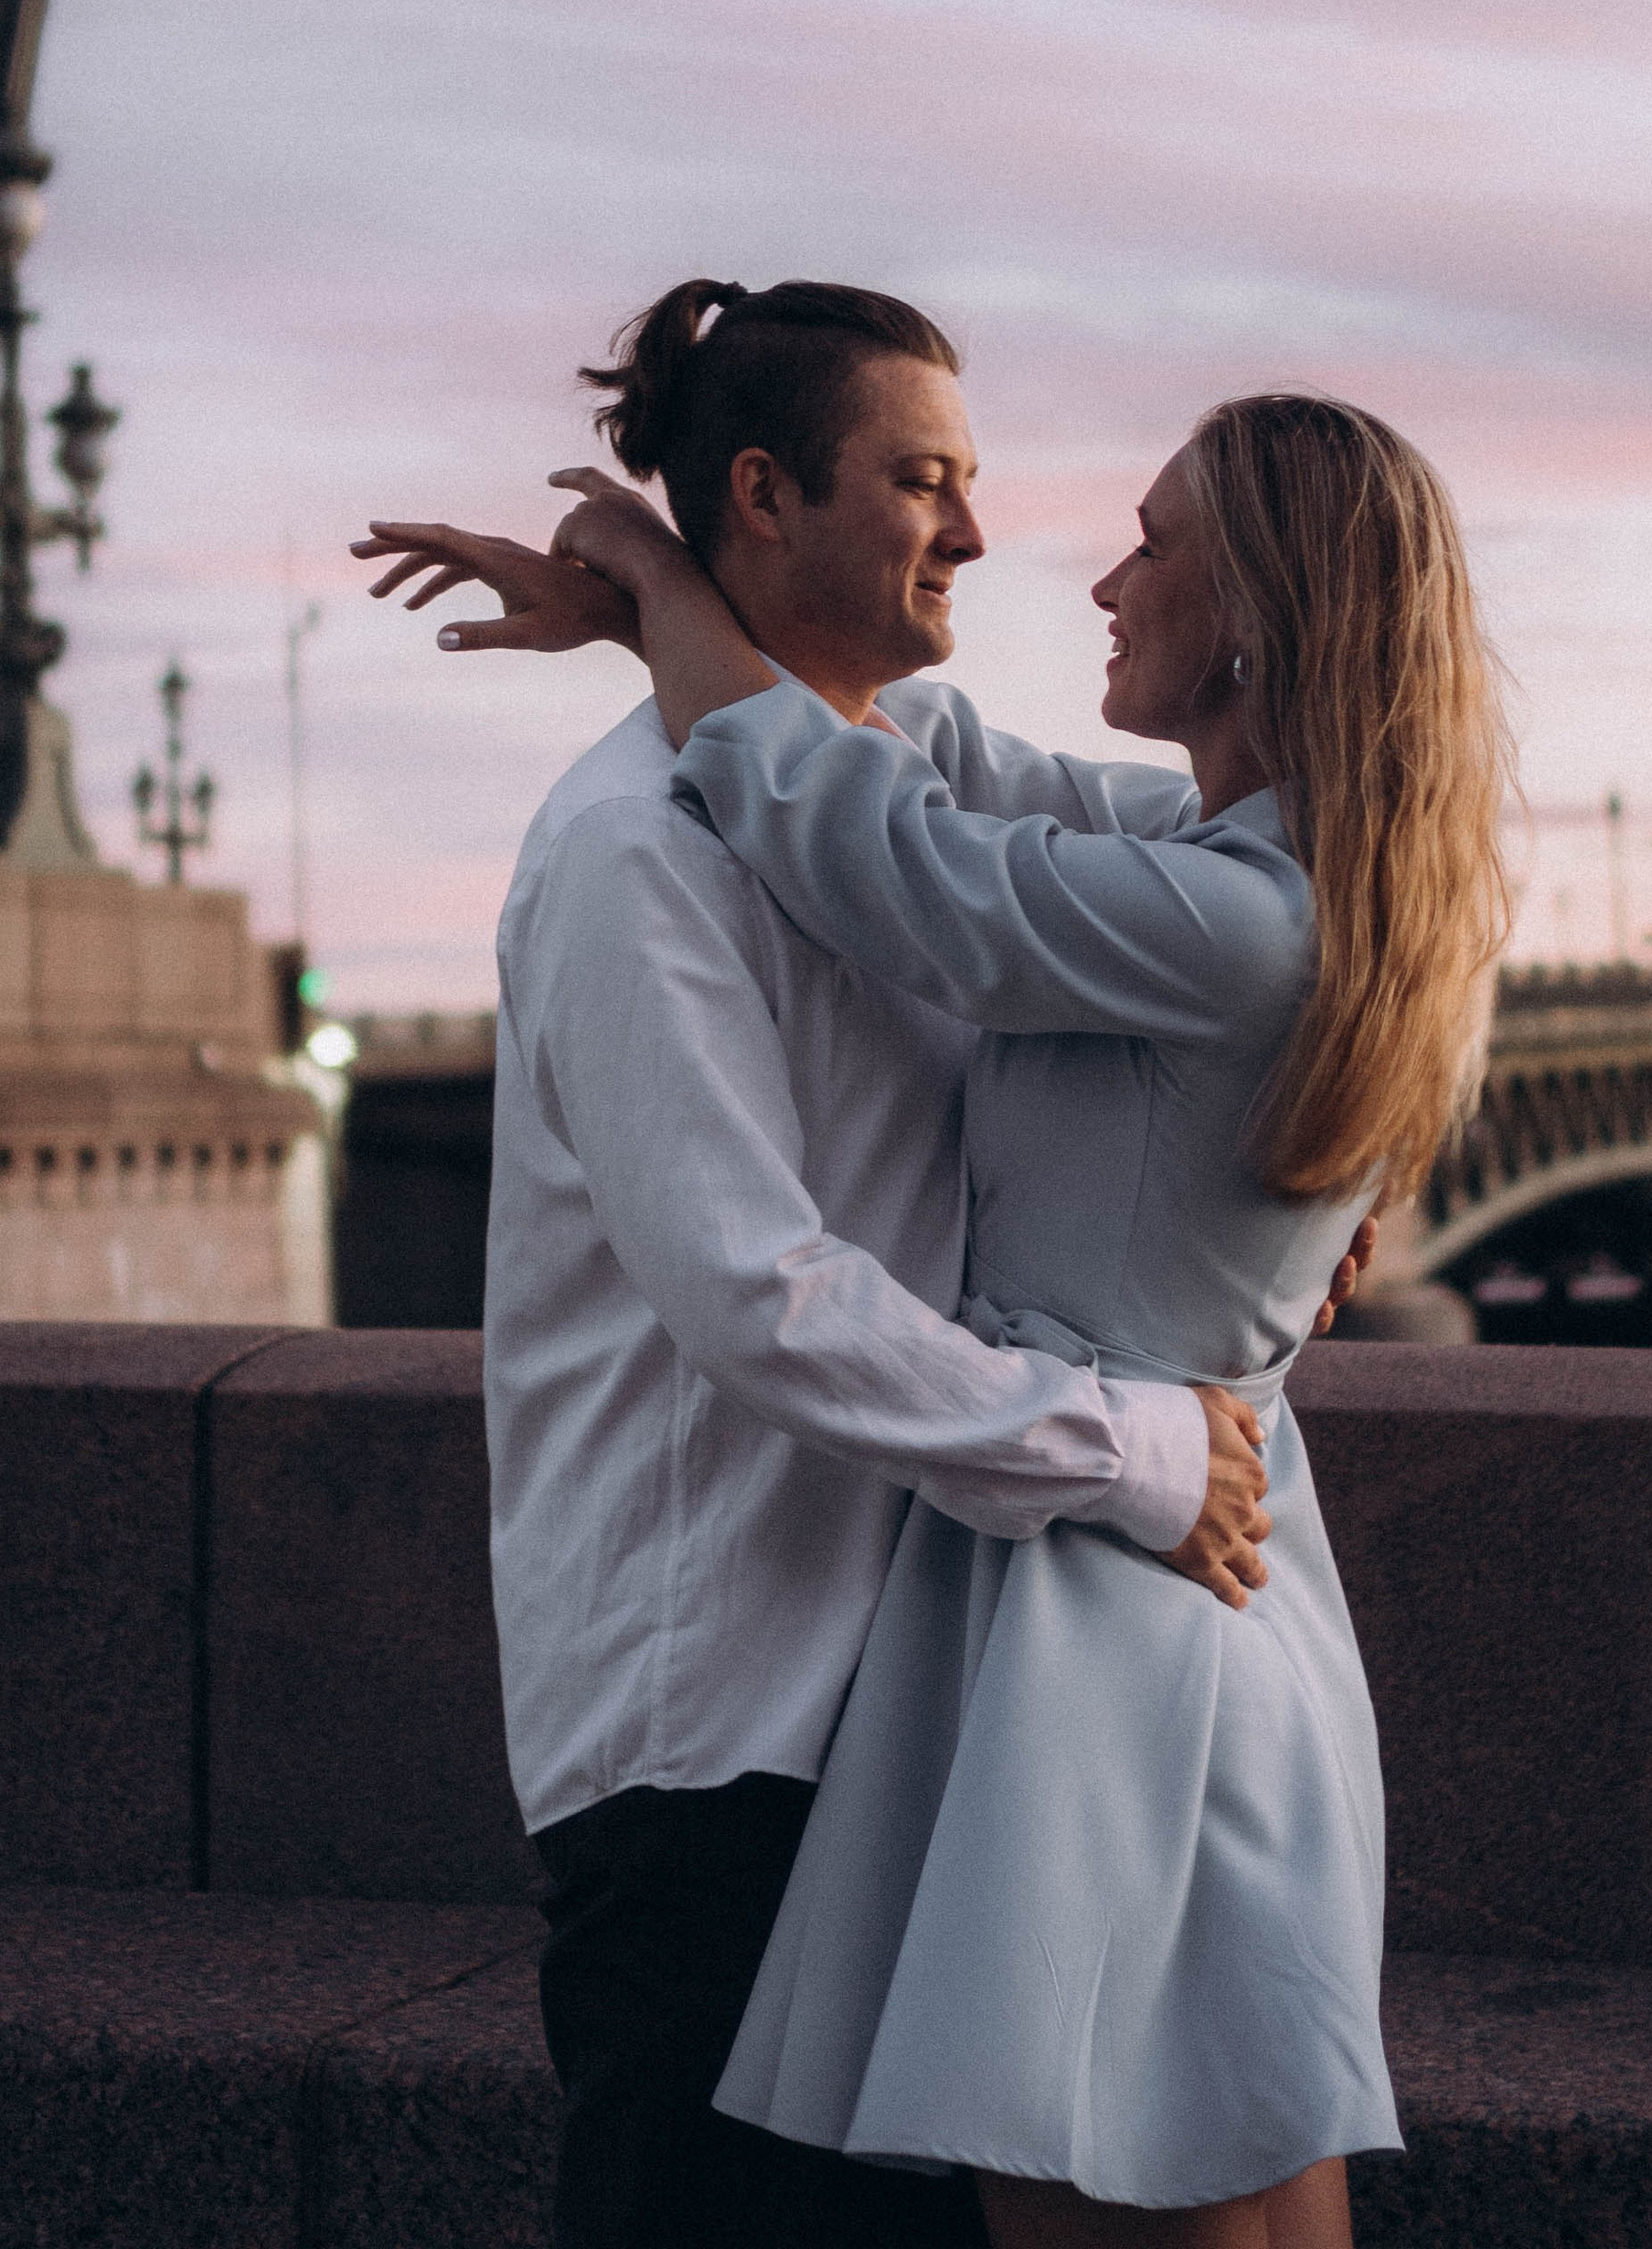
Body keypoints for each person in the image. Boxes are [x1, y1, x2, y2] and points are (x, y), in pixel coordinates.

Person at [357, 281, 1372, 2249]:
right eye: (922, 480)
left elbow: (1270, 899)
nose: (981, 535)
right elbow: (752, 1289)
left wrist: (1334, 1144)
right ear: (763, 492)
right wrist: (1133, 1457)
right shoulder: (632, 851)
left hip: (916, 1683)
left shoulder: (909, 751)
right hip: (717, 1725)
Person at [544, 378, 1515, 2249]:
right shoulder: (1291, 878)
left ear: (1254, 614)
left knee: (1097, 2188)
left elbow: (879, 851)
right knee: (1240, 2178)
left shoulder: (1230, 921)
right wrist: (708, 618)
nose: (1102, 576)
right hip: (1202, 1589)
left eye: (1154, 544)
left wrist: (660, 580)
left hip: (1099, 1617)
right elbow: (960, 769)